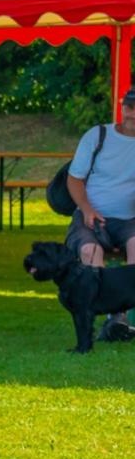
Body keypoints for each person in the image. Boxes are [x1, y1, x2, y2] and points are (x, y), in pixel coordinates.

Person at [64, 87, 135, 341]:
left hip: (128, 220)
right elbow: (74, 180)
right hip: (89, 215)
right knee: (88, 252)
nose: (133, 114)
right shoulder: (98, 136)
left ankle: (120, 317)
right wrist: (86, 208)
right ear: (122, 107)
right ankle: (102, 315)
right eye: (129, 107)